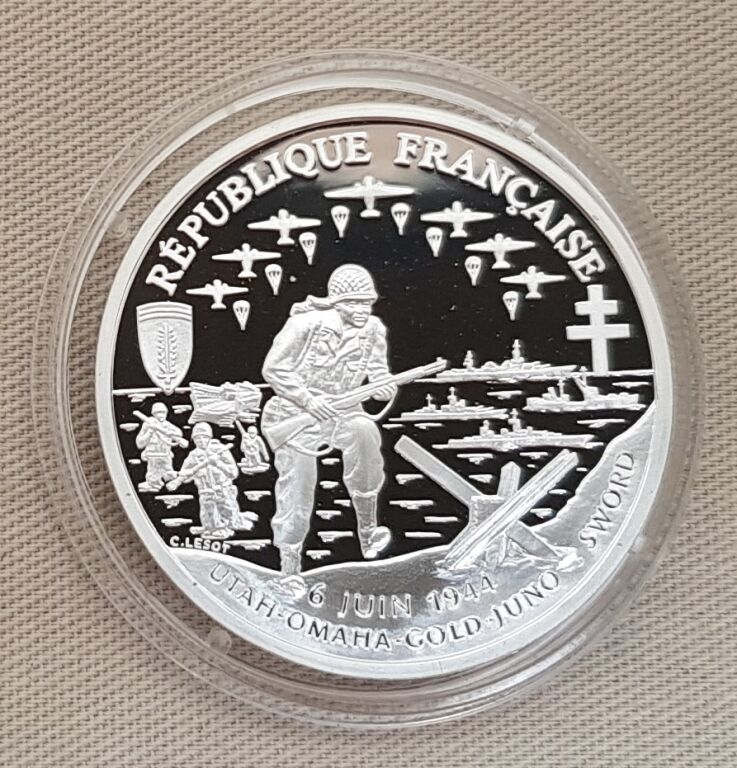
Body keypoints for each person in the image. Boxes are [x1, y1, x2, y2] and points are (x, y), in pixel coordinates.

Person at [261, 264, 395, 589]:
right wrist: (308, 400)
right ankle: (289, 566)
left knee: (365, 432)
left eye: (367, 303)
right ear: (336, 303)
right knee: (300, 484)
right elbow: (274, 369)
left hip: (343, 412)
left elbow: (377, 370)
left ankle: (368, 531)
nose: (363, 310)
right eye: (354, 303)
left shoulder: (373, 329)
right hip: (294, 414)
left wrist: (384, 386)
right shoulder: (304, 324)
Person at [169, 422, 255, 539]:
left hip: (223, 491)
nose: (201, 440)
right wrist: (189, 474)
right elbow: (185, 476)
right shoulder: (193, 455)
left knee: (231, 517)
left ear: (209, 437)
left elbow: (233, 473)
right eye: (197, 438)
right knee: (209, 517)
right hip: (206, 492)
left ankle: (236, 521)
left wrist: (217, 463)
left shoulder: (221, 450)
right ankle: (214, 528)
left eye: (204, 437)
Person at [135, 401, 186, 492]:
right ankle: (153, 484)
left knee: (169, 474)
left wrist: (168, 432)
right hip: (152, 455)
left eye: (163, 412)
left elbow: (179, 433)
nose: (161, 415)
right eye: (158, 413)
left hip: (165, 455)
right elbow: (140, 443)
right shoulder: (148, 425)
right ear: (153, 414)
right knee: (152, 475)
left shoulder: (168, 425)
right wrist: (150, 432)